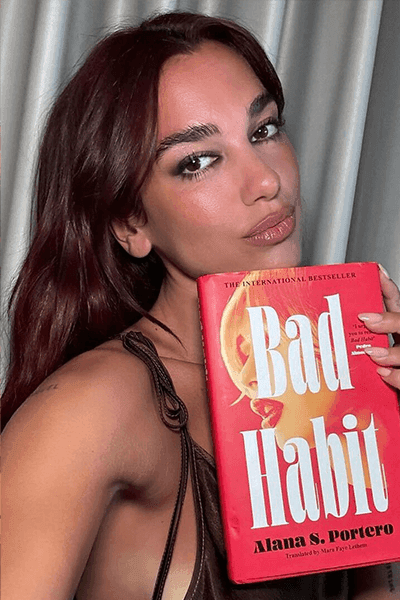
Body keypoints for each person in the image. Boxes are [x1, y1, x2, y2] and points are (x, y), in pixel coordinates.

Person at [2, 11, 399, 600]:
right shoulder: (91, 407)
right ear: (131, 224)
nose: (267, 182)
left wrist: (383, 440)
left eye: (264, 130)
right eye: (198, 161)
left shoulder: (321, 381)